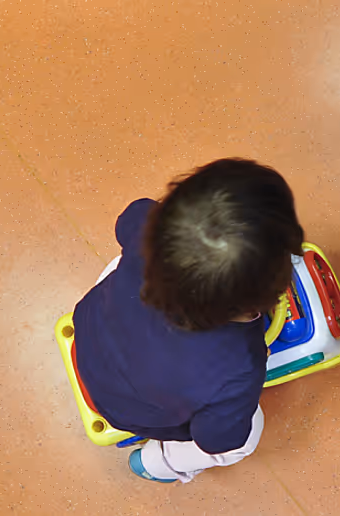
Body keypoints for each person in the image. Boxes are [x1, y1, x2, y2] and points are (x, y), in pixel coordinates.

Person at [73, 158, 304, 482]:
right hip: (129, 410)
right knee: (247, 436)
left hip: (91, 331)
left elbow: (128, 218)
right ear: (258, 305)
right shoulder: (241, 367)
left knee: (117, 267)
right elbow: (217, 438)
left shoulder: (147, 227)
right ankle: (157, 463)